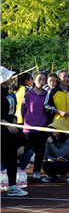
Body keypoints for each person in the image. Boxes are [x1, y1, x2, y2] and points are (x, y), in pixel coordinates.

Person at [44, 69, 69, 174]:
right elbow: (46, 106)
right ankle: (57, 170)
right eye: (64, 77)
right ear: (59, 79)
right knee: (58, 147)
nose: (67, 79)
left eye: (68, 77)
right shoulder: (53, 91)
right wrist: (58, 111)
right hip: (58, 125)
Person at [1, 67, 28, 196]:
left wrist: (12, 124)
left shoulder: (7, 92)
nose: (11, 78)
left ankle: (12, 187)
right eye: (8, 76)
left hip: (9, 131)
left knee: (12, 158)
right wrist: (7, 125)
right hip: (3, 131)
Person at [21, 71, 49, 180]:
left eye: (43, 79)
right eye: (39, 79)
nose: (41, 82)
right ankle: (21, 170)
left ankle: (36, 171)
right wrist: (27, 120)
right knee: (26, 150)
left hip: (42, 127)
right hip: (29, 128)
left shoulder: (47, 95)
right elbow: (23, 109)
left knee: (40, 151)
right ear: (33, 80)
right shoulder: (28, 94)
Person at [41, 118, 69, 183]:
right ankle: (52, 176)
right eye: (53, 128)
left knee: (58, 165)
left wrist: (52, 144)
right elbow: (47, 155)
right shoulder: (49, 140)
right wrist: (55, 159)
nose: (54, 130)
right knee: (45, 165)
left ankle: (68, 176)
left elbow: (60, 154)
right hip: (55, 161)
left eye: (56, 128)